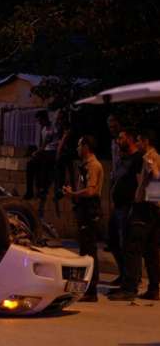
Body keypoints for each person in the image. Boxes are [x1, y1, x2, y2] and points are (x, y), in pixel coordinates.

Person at [108, 128, 160, 301]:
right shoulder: (155, 156)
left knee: (133, 247)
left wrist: (150, 198)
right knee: (151, 250)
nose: (137, 144)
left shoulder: (149, 157)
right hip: (152, 210)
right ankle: (154, 288)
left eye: (139, 140)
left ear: (146, 141)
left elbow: (156, 177)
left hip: (145, 209)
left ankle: (129, 288)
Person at [62, 135, 104, 302]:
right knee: (85, 249)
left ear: (86, 146)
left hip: (90, 210)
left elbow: (91, 191)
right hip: (84, 209)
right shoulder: (85, 166)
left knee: (89, 251)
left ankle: (91, 289)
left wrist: (73, 194)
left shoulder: (93, 165)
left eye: (79, 145)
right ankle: (86, 287)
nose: (77, 149)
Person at [106, 128, 143, 287]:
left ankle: (132, 279)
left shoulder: (138, 159)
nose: (118, 141)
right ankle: (123, 274)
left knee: (127, 244)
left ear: (130, 139)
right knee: (113, 241)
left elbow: (140, 183)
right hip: (118, 206)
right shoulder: (122, 159)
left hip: (128, 207)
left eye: (121, 138)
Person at [23, 110, 57, 201]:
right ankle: (29, 191)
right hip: (44, 152)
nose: (39, 123)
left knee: (41, 162)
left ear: (44, 119)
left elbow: (45, 144)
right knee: (30, 164)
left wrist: (36, 152)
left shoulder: (52, 128)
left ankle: (42, 189)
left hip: (51, 151)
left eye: (40, 120)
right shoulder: (43, 129)